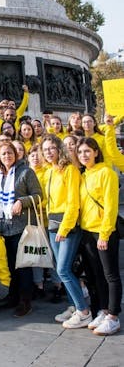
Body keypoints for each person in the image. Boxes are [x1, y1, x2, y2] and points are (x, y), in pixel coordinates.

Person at [0, 142, 43, 317]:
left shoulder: (26, 172)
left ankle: (25, 300)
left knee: (22, 265)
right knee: (8, 265)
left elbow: (38, 195)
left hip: (20, 226)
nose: (7, 156)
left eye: (10, 153)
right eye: (3, 154)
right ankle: (12, 296)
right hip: (1, 226)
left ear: (15, 154)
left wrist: (21, 201)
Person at [40, 135, 91, 328]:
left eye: (52, 148)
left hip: (66, 225)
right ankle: (73, 306)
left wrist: (65, 227)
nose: (49, 152)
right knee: (61, 269)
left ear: (59, 148)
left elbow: (73, 203)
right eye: (45, 150)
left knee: (63, 269)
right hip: (53, 223)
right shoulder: (50, 170)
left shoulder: (70, 170)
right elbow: (50, 200)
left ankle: (84, 311)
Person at [77, 138, 122, 336]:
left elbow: (111, 207)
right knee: (96, 275)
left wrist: (104, 233)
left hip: (104, 232)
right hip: (87, 231)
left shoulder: (107, 173)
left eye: (87, 151)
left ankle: (114, 316)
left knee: (110, 274)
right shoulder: (84, 174)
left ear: (96, 152)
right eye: (80, 152)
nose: (84, 155)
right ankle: (103, 311)